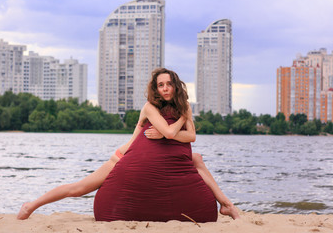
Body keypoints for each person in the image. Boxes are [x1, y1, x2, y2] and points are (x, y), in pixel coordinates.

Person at [17, 68, 239, 221]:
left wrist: (173, 125)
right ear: (156, 88)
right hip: (125, 157)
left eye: (169, 84)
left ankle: (226, 204)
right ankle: (32, 205)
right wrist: (184, 116)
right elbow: (172, 132)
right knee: (79, 189)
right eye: (160, 85)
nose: (165, 88)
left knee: (197, 158)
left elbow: (191, 137)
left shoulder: (182, 107)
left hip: (163, 158)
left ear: (175, 86)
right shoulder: (150, 107)